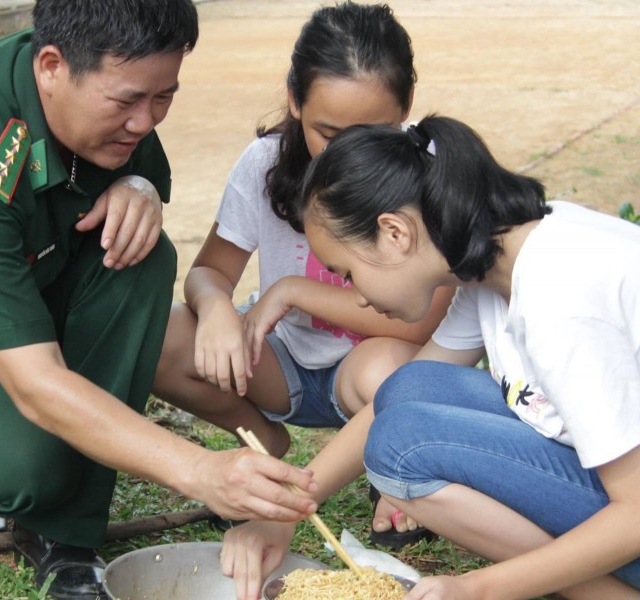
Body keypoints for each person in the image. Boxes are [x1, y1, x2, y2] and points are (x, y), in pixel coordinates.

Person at [223, 114, 640, 600]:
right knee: (407, 392)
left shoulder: (559, 298)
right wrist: (289, 509)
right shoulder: (499, 252)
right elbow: (405, 392)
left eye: (346, 272)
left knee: (402, 449)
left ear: (395, 232)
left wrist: (476, 591)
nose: (354, 294)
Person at [0, 0, 319, 600]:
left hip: (13, 316)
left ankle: (64, 531)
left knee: (137, 252)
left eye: (164, 98)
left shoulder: (96, 103)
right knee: (34, 463)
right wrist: (200, 470)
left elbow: (131, 171)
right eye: (127, 101)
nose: (145, 121)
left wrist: (140, 186)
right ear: (51, 65)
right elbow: (36, 384)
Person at [151, 1, 452, 548]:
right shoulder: (265, 162)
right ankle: (264, 444)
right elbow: (209, 272)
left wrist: (290, 291)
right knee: (157, 335)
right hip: (281, 363)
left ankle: (397, 468)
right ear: (294, 100)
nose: (351, 157)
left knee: (395, 371)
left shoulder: (430, 172)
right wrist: (216, 307)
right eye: (329, 133)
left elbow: (416, 325)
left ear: (407, 106)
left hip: (374, 372)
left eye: (375, 132)